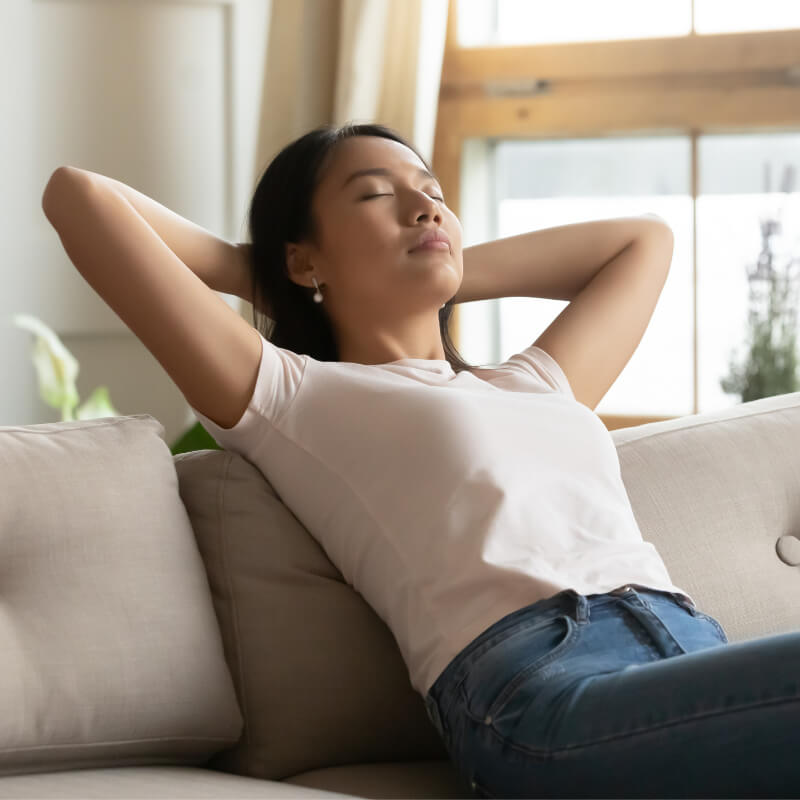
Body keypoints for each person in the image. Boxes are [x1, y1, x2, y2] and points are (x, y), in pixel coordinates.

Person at [41, 122, 800, 798]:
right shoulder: (293, 396)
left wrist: (435, 257)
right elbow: (79, 198)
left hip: (692, 648)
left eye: (433, 194)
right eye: (375, 196)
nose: (425, 207)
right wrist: (265, 274)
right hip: (542, 694)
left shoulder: (532, 381)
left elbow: (645, 240)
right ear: (305, 260)